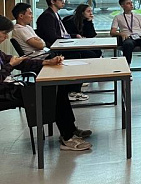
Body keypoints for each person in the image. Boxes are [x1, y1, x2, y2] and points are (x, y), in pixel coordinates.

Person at [0, 15, 92, 151]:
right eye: (3, 33)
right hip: (5, 93)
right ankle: (67, 137)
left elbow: (20, 62)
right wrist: (10, 66)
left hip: (12, 87)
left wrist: (47, 62)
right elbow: (7, 69)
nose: (6, 37)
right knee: (52, 94)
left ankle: (70, 129)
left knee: (59, 88)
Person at [110, 0, 141, 81]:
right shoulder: (118, 17)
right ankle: (127, 70)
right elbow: (112, 32)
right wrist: (121, 33)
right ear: (122, 6)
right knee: (128, 45)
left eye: (131, 3)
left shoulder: (139, 16)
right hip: (128, 37)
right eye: (128, 3)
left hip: (140, 36)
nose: (131, 4)